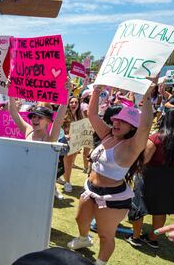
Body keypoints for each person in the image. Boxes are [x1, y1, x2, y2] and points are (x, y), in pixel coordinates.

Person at [67, 81, 155, 265]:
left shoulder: (132, 146)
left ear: (132, 128)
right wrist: (97, 92)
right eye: (117, 119)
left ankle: (101, 262)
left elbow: (146, 127)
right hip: (89, 188)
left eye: (124, 121)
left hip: (113, 197)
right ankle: (84, 239)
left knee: (105, 235)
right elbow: (91, 114)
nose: (117, 122)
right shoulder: (107, 134)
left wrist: (146, 97)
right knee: (80, 219)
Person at [126, 108, 174, 249]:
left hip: (150, 175)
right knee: (160, 208)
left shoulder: (156, 138)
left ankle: (135, 237)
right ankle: (153, 238)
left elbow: (144, 160)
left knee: (139, 206)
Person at [61, 96, 84, 192]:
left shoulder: (79, 116)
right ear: (68, 104)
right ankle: (67, 182)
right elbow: (58, 127)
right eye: (72, 102)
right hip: (65, 143)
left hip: (76, 142)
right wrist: (65, 135)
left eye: (76, 103)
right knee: (68, 164)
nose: (74, 104)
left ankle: (60, 177)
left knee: (66, 162)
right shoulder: (63, 115)